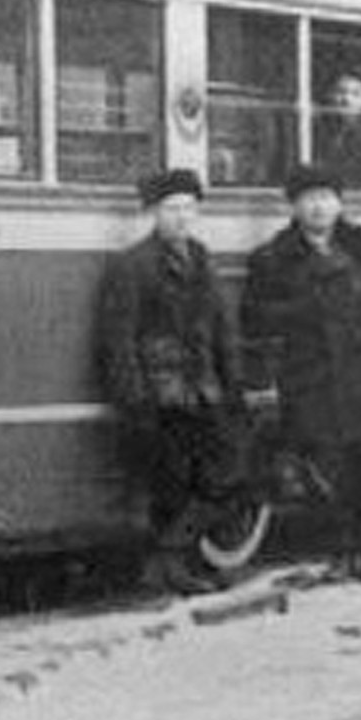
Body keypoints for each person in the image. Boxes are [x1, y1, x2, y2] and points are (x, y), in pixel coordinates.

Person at [241, 162, 361, 586]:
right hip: (314, 378)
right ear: (294, 207)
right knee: (327, 472)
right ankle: (338, 553)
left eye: (326, 198)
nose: (318, 207)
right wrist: (309, 311)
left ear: (339, 203)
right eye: (308, 200)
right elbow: (255, 316)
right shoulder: (272, 257)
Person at [97, 168, 248, 596]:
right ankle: (172, 569)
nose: (181, 217)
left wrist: (231, 383)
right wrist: (135, 399)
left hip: (203, 389)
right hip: (160, 395)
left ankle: (166, 555)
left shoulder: (202, 258)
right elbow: (118, 339)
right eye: (171, 208)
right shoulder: (132, 265)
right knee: (173, 487)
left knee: (229, 476)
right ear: (153, 213)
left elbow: (221, 328)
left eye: (188, 207)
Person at [315, 73, 361, 192]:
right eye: (340, 92)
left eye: (356, 94)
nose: (346, 100)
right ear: (330, 96)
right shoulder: (317, 134)